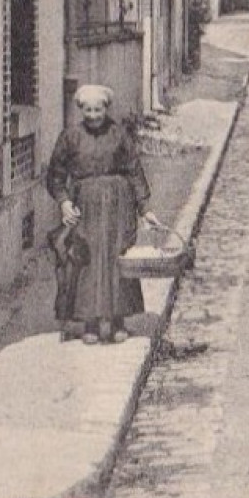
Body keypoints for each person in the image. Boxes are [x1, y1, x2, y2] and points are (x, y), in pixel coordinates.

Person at [46, 85, 160, 344]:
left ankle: (119, 321)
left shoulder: (119, 135)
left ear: (106, 109)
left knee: (117, 257)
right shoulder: (70, 137)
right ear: (81, 110)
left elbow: (134, 170)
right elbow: (55, 174)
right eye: (88, 110)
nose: (94, 115)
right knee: (87, 261)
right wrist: (64, 202)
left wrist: (145, 208)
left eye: (98, 110)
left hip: (119, 204)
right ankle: (90, 324)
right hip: (85, 205)